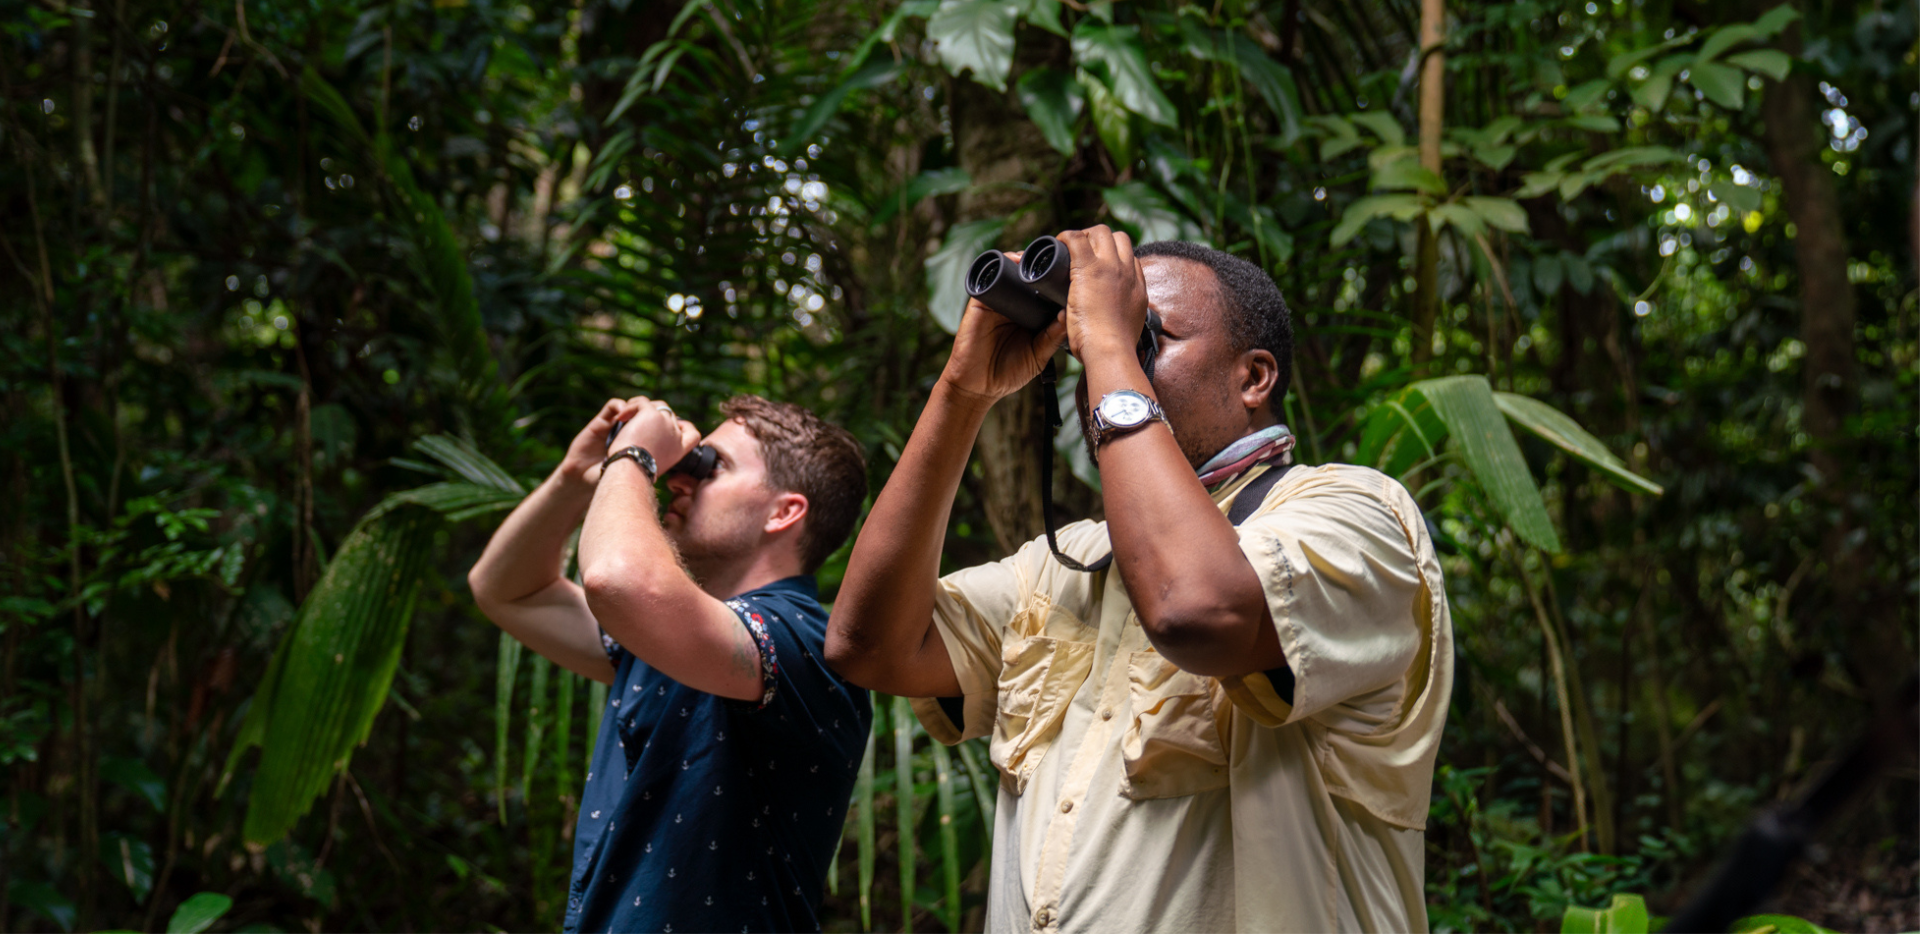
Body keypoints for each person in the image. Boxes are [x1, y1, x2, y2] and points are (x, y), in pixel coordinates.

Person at [825, 229, 1453, 933]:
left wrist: (1108, 346)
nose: (1104, 364)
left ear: (1253, 378)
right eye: (1096, 342)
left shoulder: (1354, 514)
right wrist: (963, 390)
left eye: (1148, 335)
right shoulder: (1069, 562)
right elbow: (867, 646)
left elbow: (1196, 609)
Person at [469, 393, 872, 934]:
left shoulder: (801, 642)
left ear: (784, 512)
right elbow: (507, 590)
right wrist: (574, 477)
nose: (680, 480)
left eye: (713, 466)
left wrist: (634, 457)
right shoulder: (666, 641)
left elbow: (616, 580)